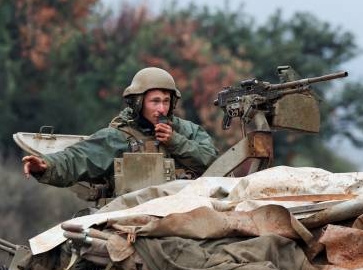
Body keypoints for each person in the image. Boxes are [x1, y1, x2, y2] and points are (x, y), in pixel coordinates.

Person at [21, 66, 218, 189]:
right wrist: (47, 165)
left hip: (186, 216)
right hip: (133, 220)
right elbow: (78, 158)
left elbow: (214, 162)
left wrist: (175, 142)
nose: (162, 108)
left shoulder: (188, 131)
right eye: (155, 101)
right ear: (139, 102)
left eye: (166, 101)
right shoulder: (120, 137)